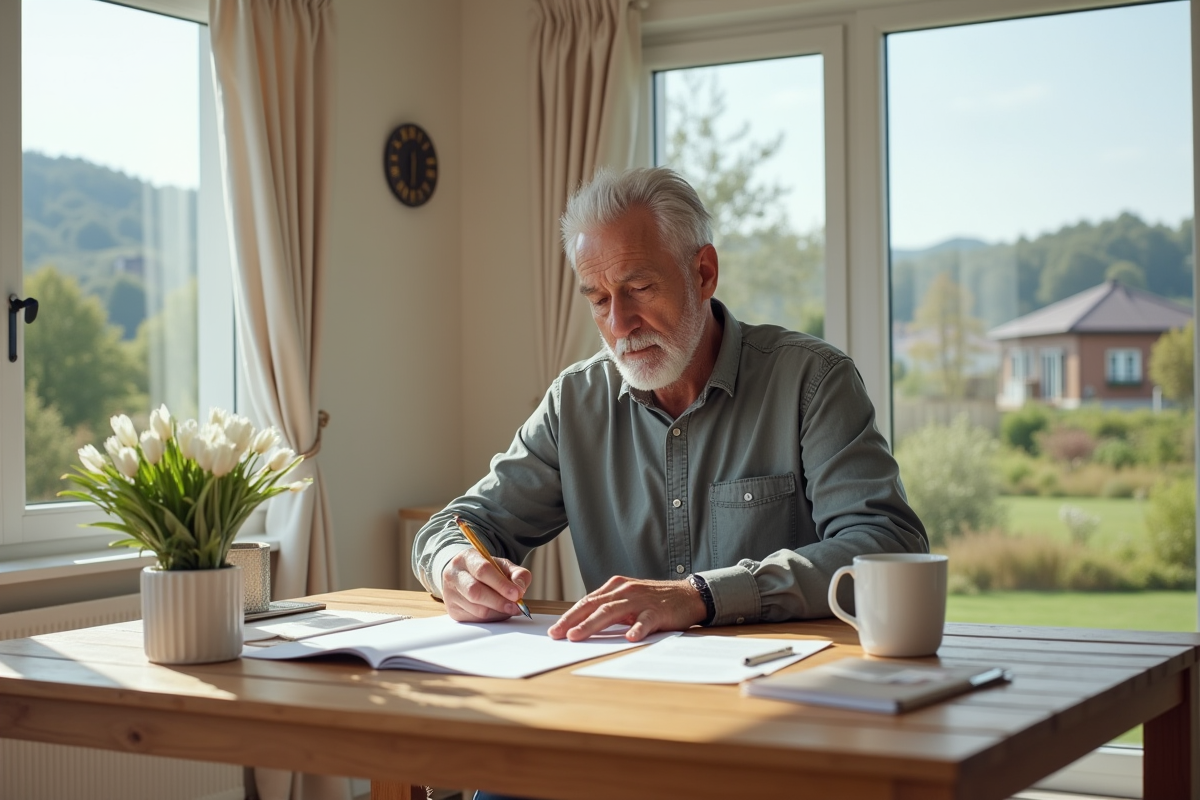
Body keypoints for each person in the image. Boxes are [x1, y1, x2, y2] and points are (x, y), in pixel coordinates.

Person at [413, 165, 927, 646]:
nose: (619, 325)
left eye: (639, 288)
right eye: (599, 300)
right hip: (626, 687)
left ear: (703, 273)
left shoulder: (811, 381)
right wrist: (454, 567)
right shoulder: (574, 403)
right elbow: (457, 526)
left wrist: (701, 595)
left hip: (785, 683)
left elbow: (886, 545)